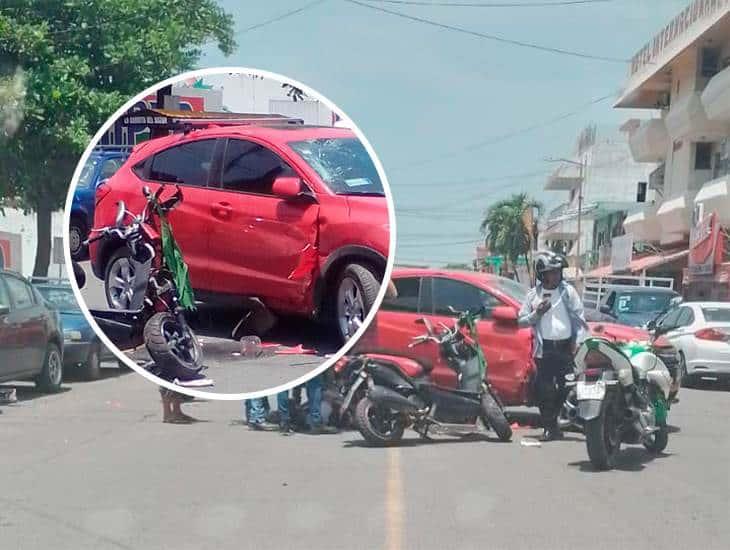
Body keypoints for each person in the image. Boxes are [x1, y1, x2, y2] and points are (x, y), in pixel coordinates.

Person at [519, 251, 588, 441]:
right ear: (542, 273)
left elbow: (580, 317)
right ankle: (550, 428)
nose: (556, 275)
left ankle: (555, 420)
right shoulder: (533, 295)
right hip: (545, 349)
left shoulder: (568, 291)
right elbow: (521, 321)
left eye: (558, 271)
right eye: (552, 272)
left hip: (565, 348)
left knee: (567, 385)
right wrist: (537, 313)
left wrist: (578, 341)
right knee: (544, 389)